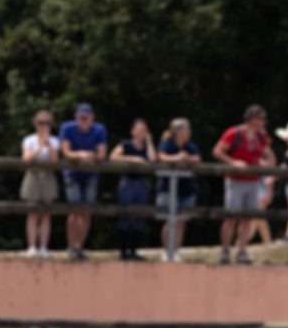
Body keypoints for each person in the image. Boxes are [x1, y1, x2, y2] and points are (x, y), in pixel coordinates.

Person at [212, 104, 275, 265]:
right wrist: (233, 162)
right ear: (252, 119)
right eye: (261, 118)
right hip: (235, 181)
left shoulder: (262, 136)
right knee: (231, 217)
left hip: (253, 182)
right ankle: (225, 251)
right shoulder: (234, 133)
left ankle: (241, 250)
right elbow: (217, 151)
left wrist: (265, 163)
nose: (264, 122)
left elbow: (271, 158)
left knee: (247, 218)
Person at [59, 103, 108, 260]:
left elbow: (101, 155)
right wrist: (81, 155)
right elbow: (65, 152)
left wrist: (88, 156)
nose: (83, 120)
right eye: (81, 117)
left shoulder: (99, 130)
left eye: (86, 117)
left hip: (90, 175)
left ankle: (79, 246)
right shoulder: (67, 128)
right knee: (74, 210)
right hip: (72, 174)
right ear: (76, 117)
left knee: (86, 212)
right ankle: (71, 246)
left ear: (92, 118)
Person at [109, 119, 156, 261]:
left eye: (144, 130)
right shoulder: (126, 144)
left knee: (138, 218)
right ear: (132, 131)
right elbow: (113, 157)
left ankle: (134, 251)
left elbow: (153, 159)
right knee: (125, 216)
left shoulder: (147, 147)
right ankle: (123, 252)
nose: (141, 132)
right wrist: (133, 159)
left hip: (142, 183)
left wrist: (149, 142)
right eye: (138, 129)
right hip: (127, 182)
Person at [156, 118, 201, 262]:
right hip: (168, 189)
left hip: (186, 189)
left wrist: (186, 158)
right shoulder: (166, 144)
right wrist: (177, 157)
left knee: (181, 221)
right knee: (169, 221)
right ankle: (166, 251)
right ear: (177, 132)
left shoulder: (190, 146)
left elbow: (197, 158)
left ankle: (176, 251)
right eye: (185, 129)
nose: (189, 131)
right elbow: (161, 157)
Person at [20, 110, 59, 257]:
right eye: (41, 122)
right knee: (32, 213)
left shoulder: (54, 141)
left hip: (48, 176)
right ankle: (31, 247)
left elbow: (55, 161)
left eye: (47, 123)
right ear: (35, 124)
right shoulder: (29, 140)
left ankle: (43, 247)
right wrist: (39, 147)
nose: (44, 126)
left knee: (46, 214)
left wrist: (48, 144)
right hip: (33, 175)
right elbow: (26, 158)